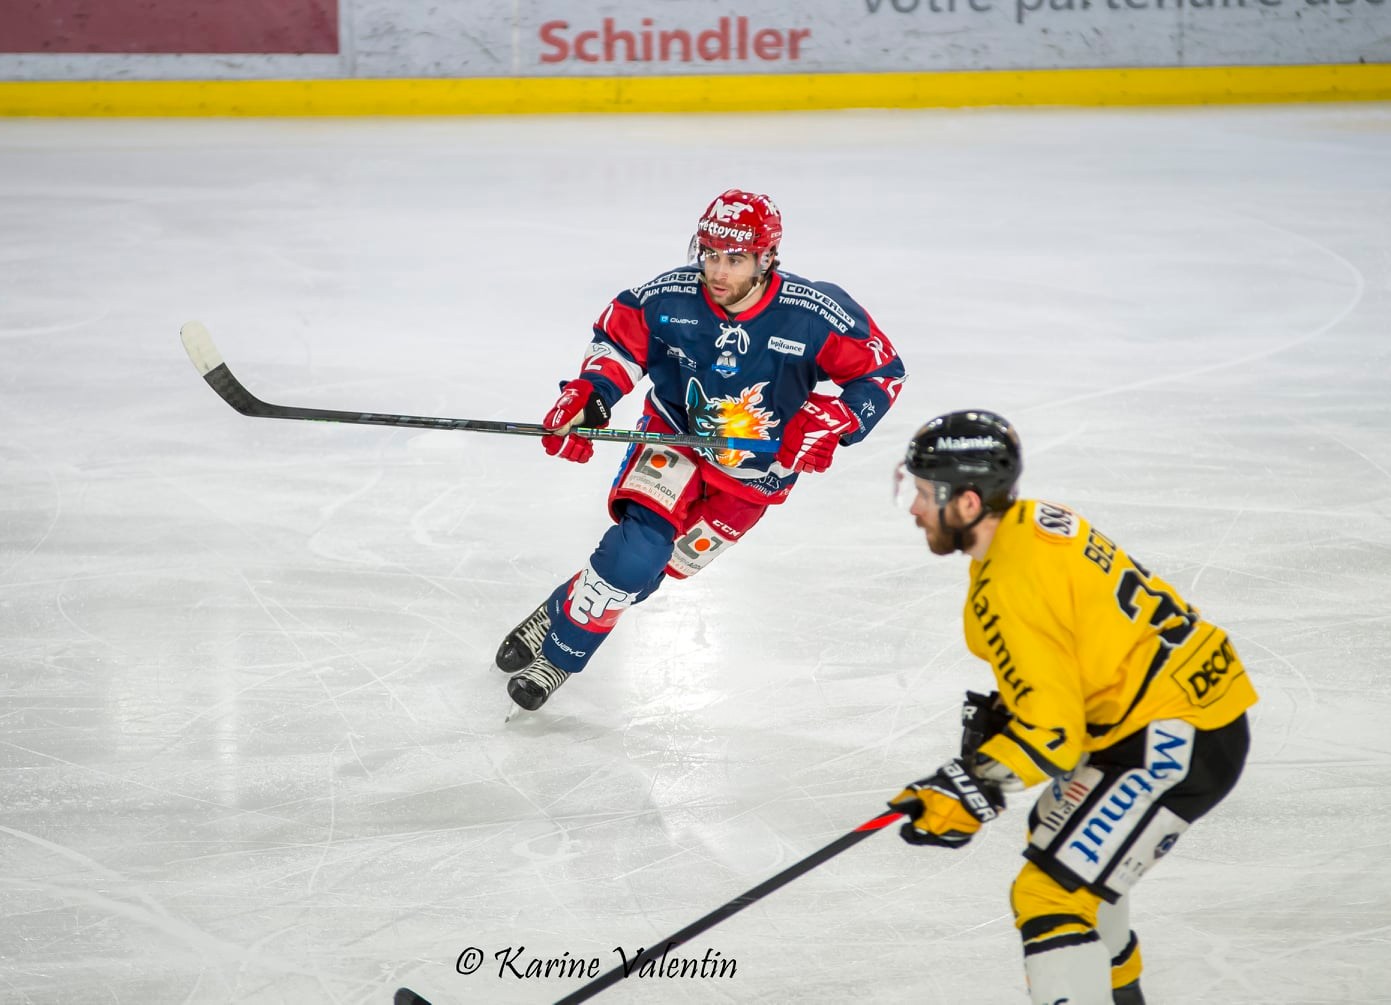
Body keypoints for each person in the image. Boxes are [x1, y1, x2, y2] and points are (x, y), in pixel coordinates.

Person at [887, 409, 1258, 1005]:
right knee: (1057, 834)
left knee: (1049, 895)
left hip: (1175, 732)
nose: (914, 508)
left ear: (969, 502)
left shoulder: (1009, 587)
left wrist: (970, 786)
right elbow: (1084, 644)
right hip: (1174, 704)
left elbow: (1053, 737)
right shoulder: (1036, 521)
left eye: (927, 493)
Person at [494, 189, 907, 712]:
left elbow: (882, 373)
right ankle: (558, 659)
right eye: (710, 254)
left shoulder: (812, 313)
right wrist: (590, 397)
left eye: (734, 259)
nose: (717, 271)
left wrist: (838, 419)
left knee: (653, 572)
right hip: (675, 437)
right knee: (634, 555)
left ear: (767, 258)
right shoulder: (671, 297)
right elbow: (618, 342)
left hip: (758, 473)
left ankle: (560, 609)